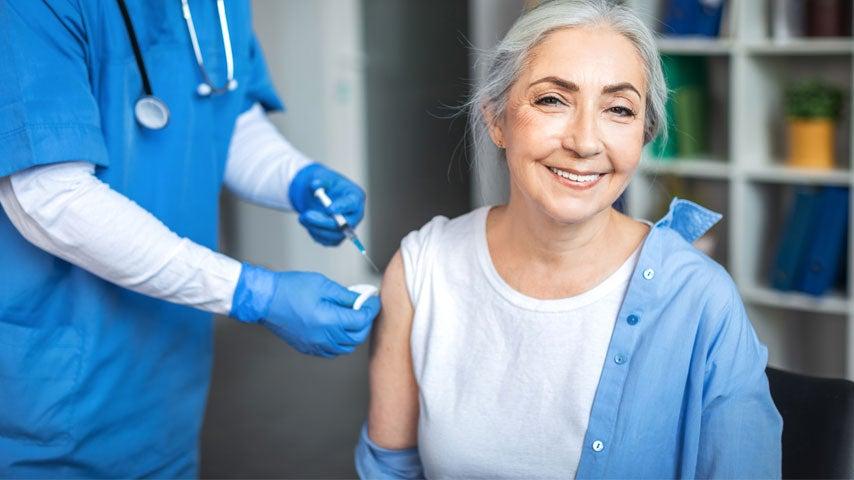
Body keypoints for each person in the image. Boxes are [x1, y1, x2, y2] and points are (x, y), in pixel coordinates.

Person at [355, 0, 782, 477]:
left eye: (618, 109)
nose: (584, 142)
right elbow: (390, 470)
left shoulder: (701, 299)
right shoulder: (422, 271)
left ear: (644, 134)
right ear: (496, 120)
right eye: (552, 100)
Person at [0, 0, 379, 477]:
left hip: (167, 392)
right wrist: (253, 292)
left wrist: (298, 179)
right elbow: (51, 196)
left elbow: (227, 117)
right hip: (50, 396)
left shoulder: (220, 7)